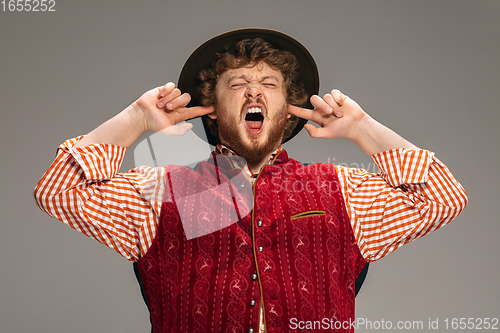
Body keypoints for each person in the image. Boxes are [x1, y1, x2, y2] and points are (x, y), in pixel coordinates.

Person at [34, 28, 467, 333]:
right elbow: (58, 190)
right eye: (237, 83)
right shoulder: (160, 193)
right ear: (211, 107)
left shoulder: (345, 190)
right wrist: (135, 120)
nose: (254, 92)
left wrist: (362, 129)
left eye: (269, 84)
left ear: (289, 106)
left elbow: (444, 196)